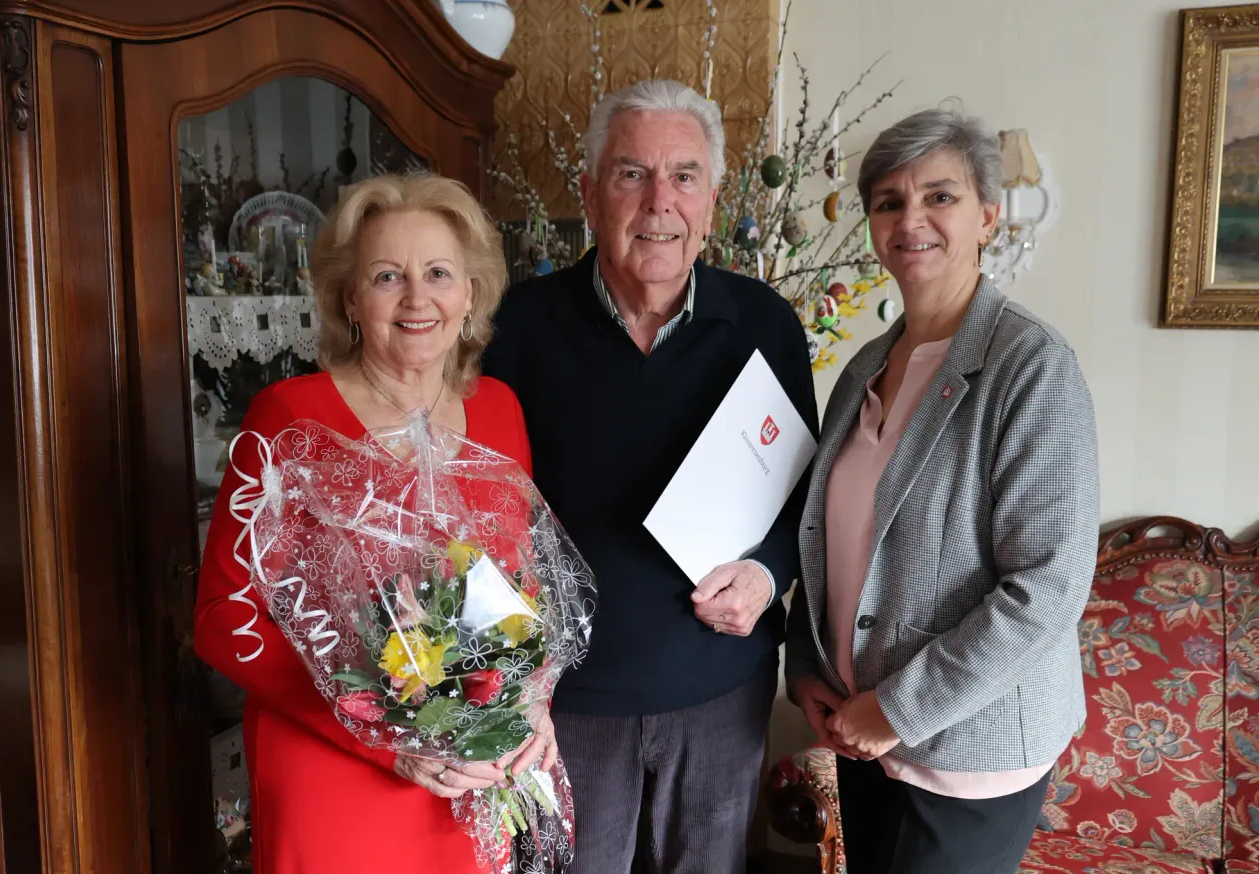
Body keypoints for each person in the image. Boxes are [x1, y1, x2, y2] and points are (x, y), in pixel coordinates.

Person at [481, 79, 819, 874]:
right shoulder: (517, 329)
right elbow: (476, 509)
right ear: (592, 194)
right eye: (632, 174)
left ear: (711, 198)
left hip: (720, 691)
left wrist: (768, 577)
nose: (659, 201)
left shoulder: (766, 324)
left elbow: (807, 494)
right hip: (566, 702)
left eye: (685, 176)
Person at [194, 173, 553, 873]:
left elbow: (522, 587)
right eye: (388, 276)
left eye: (440, 273)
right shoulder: (287, 417)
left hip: (470, 776)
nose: (418, 299)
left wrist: (531, 710)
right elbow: (221, 618)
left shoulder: (501, 410)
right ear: (350, 300)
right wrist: (380, 736)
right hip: (334, 774)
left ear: (471, 294)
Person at [785, 106, 1100, 874]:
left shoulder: (1031, 365)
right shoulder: (862, 369)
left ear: (988, 215)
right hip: (861, 739)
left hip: (969, 751)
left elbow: (1047, 589)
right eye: (888, 202)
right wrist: (809, 673)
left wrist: (894, 708)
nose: (911, 218)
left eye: (939, 196)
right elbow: (826, 538)